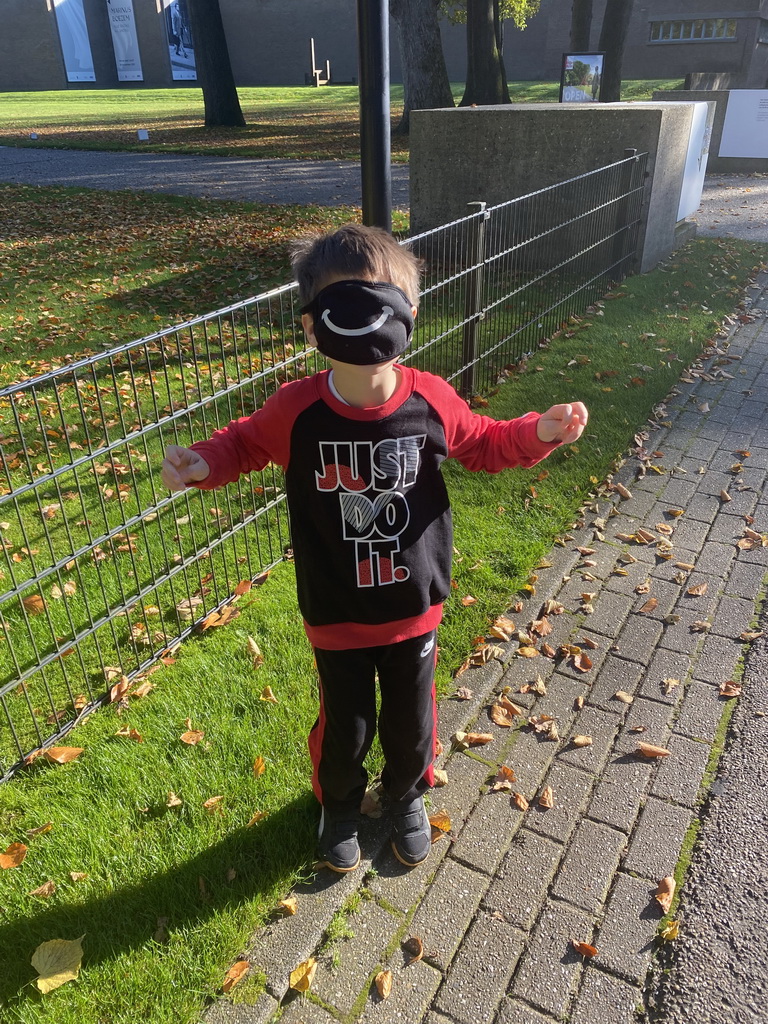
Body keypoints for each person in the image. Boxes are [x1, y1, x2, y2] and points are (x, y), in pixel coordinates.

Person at [160, 224, 588, 873]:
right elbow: (244, 443)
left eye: (380, 304)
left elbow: (487, 443)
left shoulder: (432, 400)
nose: (365, 326)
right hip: (336, 609)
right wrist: (202, 462)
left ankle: (407, 793)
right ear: (312, 329)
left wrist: (541, 431)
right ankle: (338, 803)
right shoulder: (296, 410)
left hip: (414, 603)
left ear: (410, 314)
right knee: (347, 723)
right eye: (344, 308)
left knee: (412, 721)